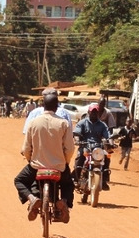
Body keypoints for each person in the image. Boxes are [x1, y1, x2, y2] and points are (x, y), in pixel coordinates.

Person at [15, 92, 75, 223]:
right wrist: (65, 162)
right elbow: (70, 149)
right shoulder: (64, 124)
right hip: (58, 167)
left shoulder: (33, 123)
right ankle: (63, 201)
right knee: (68, 184)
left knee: (19, 180)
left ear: (43, 105)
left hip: (37, 166)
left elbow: (26, 149)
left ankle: (32, 198)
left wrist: (31, 160)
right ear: (57, 107)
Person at [74, 105, 112, 190]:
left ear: (98, 113)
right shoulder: (82, 123)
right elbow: (76, 132)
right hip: (85, 146)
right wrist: (77, 139)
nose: (94, 114)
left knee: (107, 157)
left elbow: (107, 135)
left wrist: (110, 142)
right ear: (89, 112)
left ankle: (104, 180)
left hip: (98, 148)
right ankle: (76, 179)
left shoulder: (102, 125)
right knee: (80, 157)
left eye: (95, 112)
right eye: (92, 112)